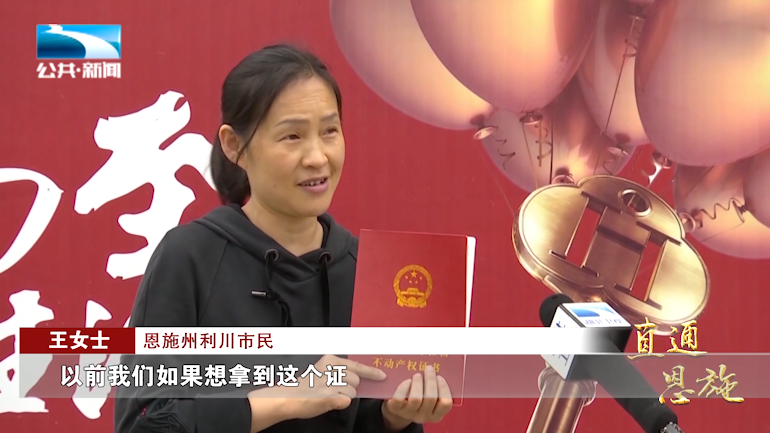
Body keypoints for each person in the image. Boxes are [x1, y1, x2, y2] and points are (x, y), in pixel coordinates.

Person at [113, 44, 453, 433]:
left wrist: (393, 418)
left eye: (329, 131)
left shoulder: (367, 272)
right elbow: (144, 422)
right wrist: (283, 399)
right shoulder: (189, 257)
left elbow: (360, 418)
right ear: (234, 146)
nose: (317, 157)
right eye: (292, 136)